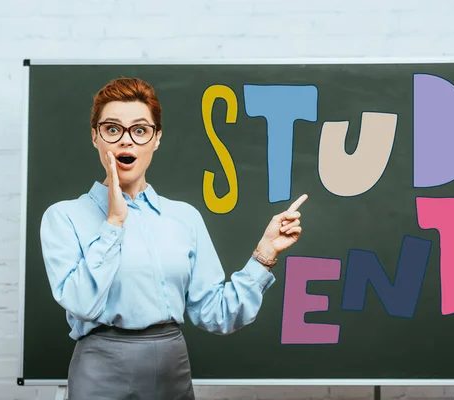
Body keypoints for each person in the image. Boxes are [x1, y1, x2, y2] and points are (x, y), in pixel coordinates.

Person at [39, 77, 308, 400]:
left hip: (170, 368)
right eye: (113, 129)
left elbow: (216, 314)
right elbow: (81, 304)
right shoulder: (64, 217)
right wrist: (114, 221)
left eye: (140, 130)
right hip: (99, 369)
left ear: (156, 139)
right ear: (96, 137)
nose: (127, 142)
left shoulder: (184, 218)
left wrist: (264, 253)